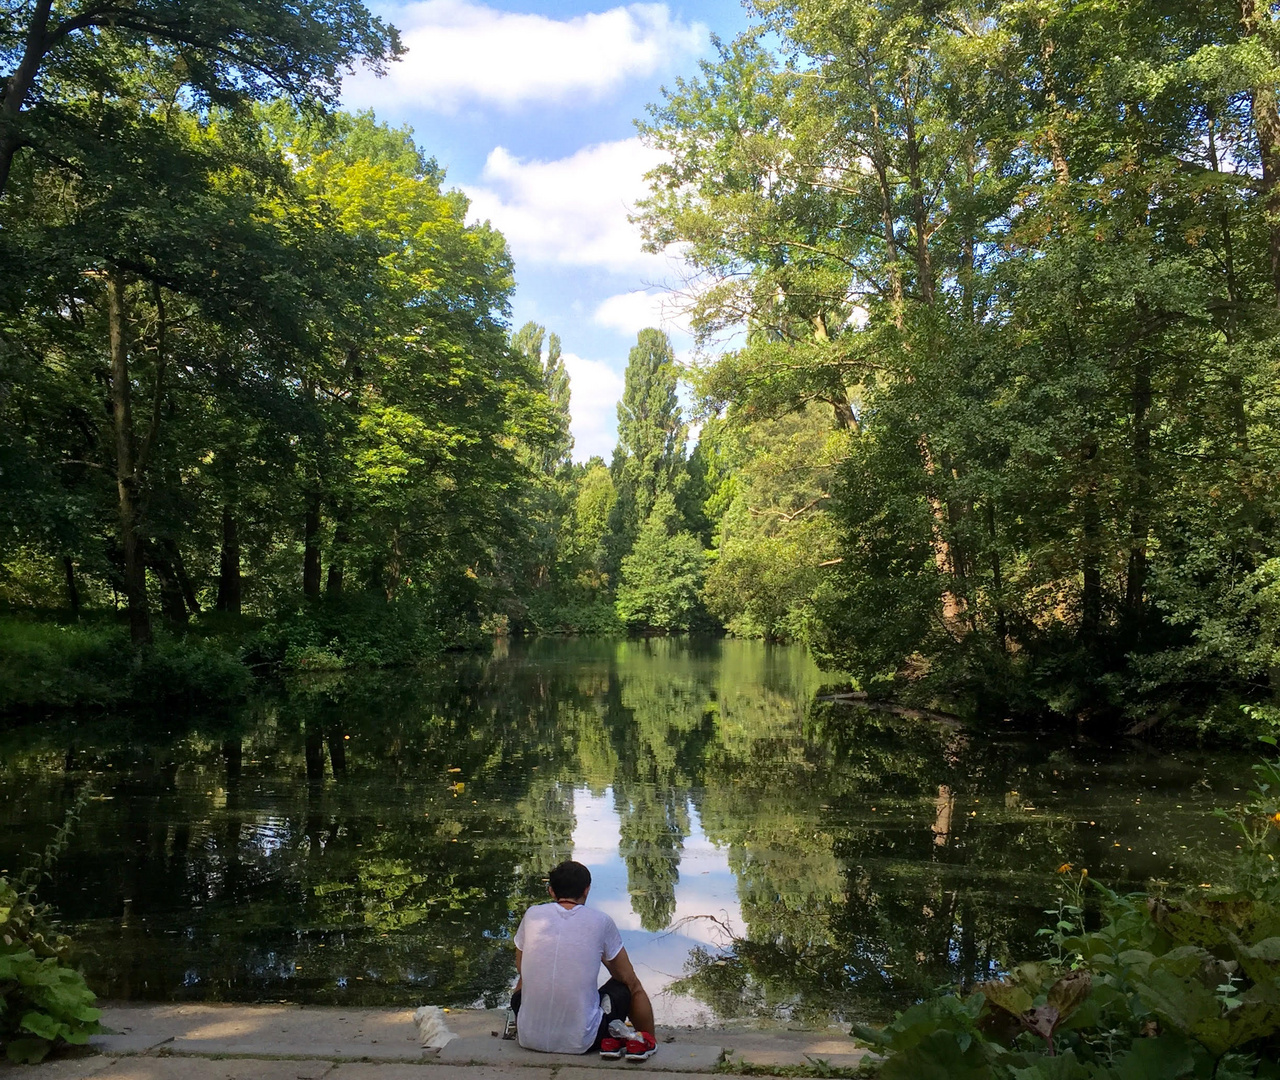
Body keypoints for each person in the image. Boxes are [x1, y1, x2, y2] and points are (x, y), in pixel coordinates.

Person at [511, 860, 657, 1061]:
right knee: (628, 986)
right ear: (587, 890)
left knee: (526, 977)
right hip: (581, 1042)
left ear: (551, 891)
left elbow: (521, 967)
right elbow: (625, 976)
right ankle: (647, 1041)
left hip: (528, 1038)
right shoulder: (600, 921)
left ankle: (522, 1024)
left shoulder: (532, 915)